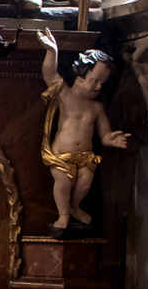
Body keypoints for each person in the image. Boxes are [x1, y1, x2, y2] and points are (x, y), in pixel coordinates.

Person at [37, 32, 130, 234]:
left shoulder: (96, 107)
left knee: (84, 185)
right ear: (80, 75)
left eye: (102, 83)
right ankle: (63, 214)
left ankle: (74, 206)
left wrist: (110, 139)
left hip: (86, 157)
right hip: (61, 155)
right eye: (95, 80)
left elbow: (104, 133)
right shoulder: (65, 94)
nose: (99, 87)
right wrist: (52, 51)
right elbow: (49, 74)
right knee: (63, 183)